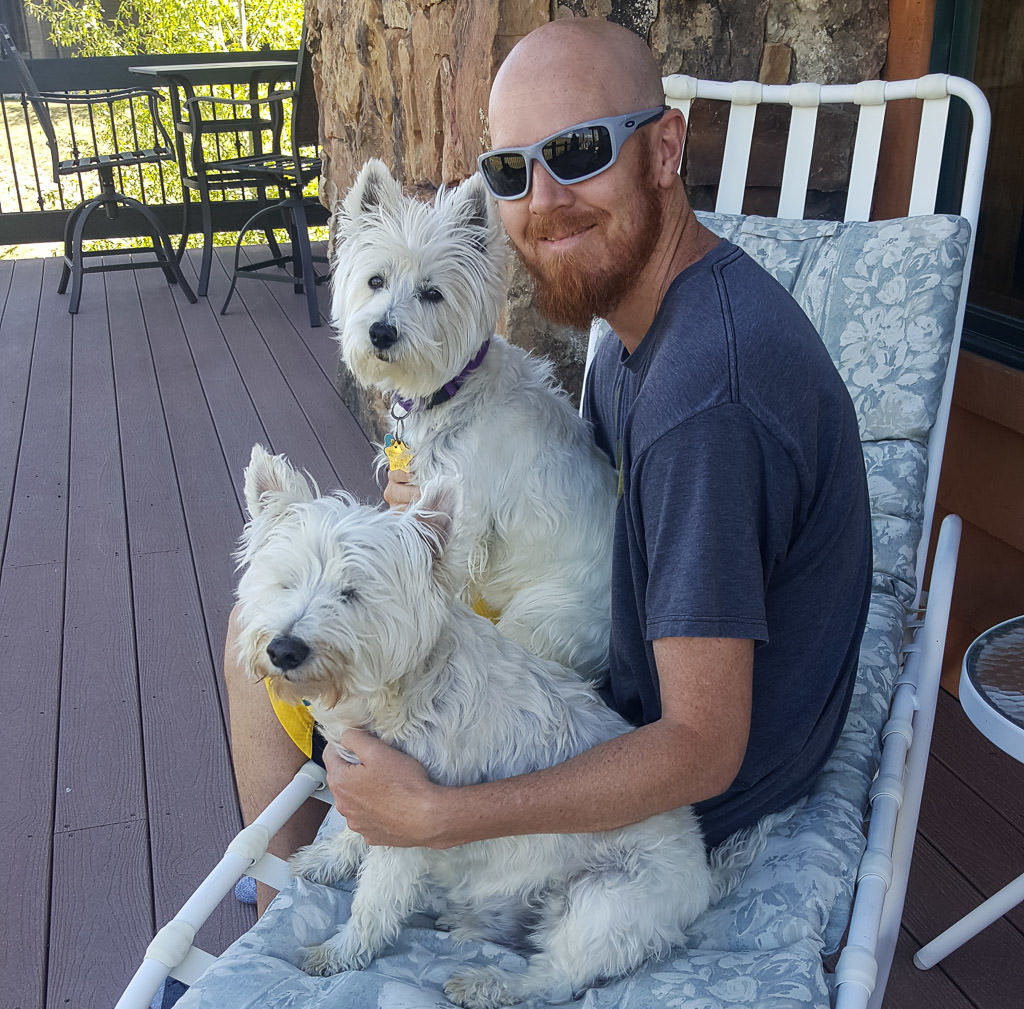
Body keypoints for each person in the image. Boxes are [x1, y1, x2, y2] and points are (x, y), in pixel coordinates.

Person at [223, 16, 872, 907]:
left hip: (648, 792)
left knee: (259, 639)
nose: (542, 198)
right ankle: (280, 909)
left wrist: (435, 814)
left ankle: (278, 919)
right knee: (301, 602)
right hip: (611, 668)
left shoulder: (708, 400)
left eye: (577, 150)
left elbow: (701, 750)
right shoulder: (636, 326)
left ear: (665, 149)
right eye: (511, 170)